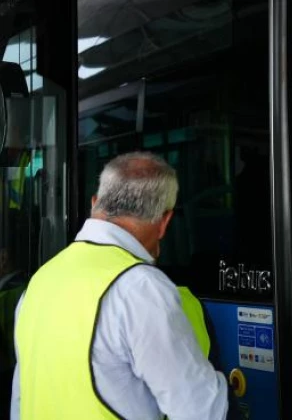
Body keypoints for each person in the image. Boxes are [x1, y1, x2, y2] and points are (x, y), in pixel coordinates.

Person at [11, 152, 229, 420]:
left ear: (95, 203)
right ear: (164, 222)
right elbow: (201, 411)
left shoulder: (38, 284)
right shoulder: (141, 287)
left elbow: (20, 402)